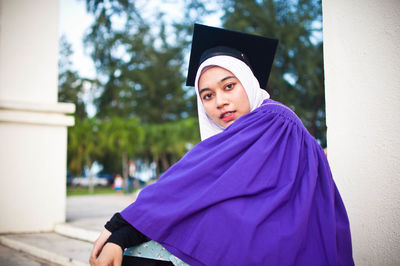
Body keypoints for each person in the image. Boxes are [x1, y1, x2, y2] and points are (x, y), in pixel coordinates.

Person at [90, 24, 354, 266]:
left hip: (283, 246)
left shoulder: (275, 121)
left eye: (229, 86)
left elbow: (189, 181)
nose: (220, 102)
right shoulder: (256, 129)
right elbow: (192, 195)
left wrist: (119, 227)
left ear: (248, 83)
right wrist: (122, 234)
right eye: (207, 95)